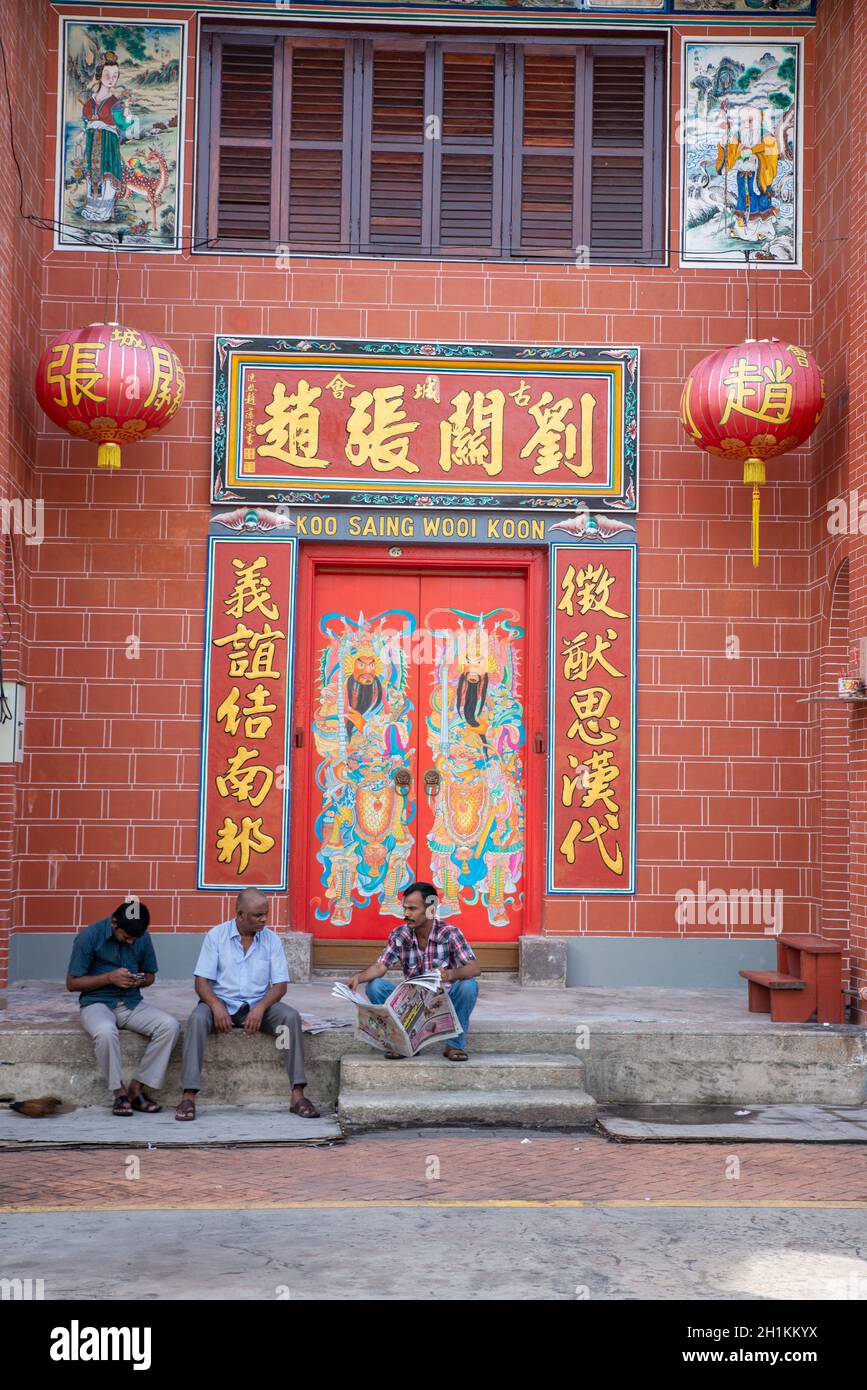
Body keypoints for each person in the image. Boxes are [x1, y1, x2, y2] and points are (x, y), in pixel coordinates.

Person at [175, 888, 320, 1121]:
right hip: (221, 1004)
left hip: (258, 1005)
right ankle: (189, 1095)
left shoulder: (271, 939)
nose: (264, 919)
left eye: (266, 914)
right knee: (197, 1019)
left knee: (290, 1018)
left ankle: (297, 1094)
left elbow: (280, 986)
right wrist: (215, 1005)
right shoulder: (216, 936)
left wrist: (261, 1008)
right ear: (240, 915)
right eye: (257, 915)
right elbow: (201, 982)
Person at [66, 900, 180, 1115]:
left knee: (170, 1026)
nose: (130, 941)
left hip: (130, 1004)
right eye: (126, 937)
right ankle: (118, 1092)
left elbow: (150, 976)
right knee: (106, 1032)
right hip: (96, 1003)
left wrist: (139, 981)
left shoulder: (141, 936)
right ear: (114, 923)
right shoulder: (89, 936)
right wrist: (109, 978)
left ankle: (137, 1089)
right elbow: (72, 983)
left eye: (134, 939)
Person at [346, 881, 481, 1060]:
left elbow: (474, 968)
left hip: (443, 1004)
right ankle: (406, 1043)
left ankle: (454, 1045)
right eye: (405, 908)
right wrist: (358, 977)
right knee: (374, 986)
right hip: (412, 1005)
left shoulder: (450, 933)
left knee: (469, 986)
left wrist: (450, 975)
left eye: (412, 909)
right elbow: (380, 966)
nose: (406, 914)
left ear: (430, 909)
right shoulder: (400, 935)